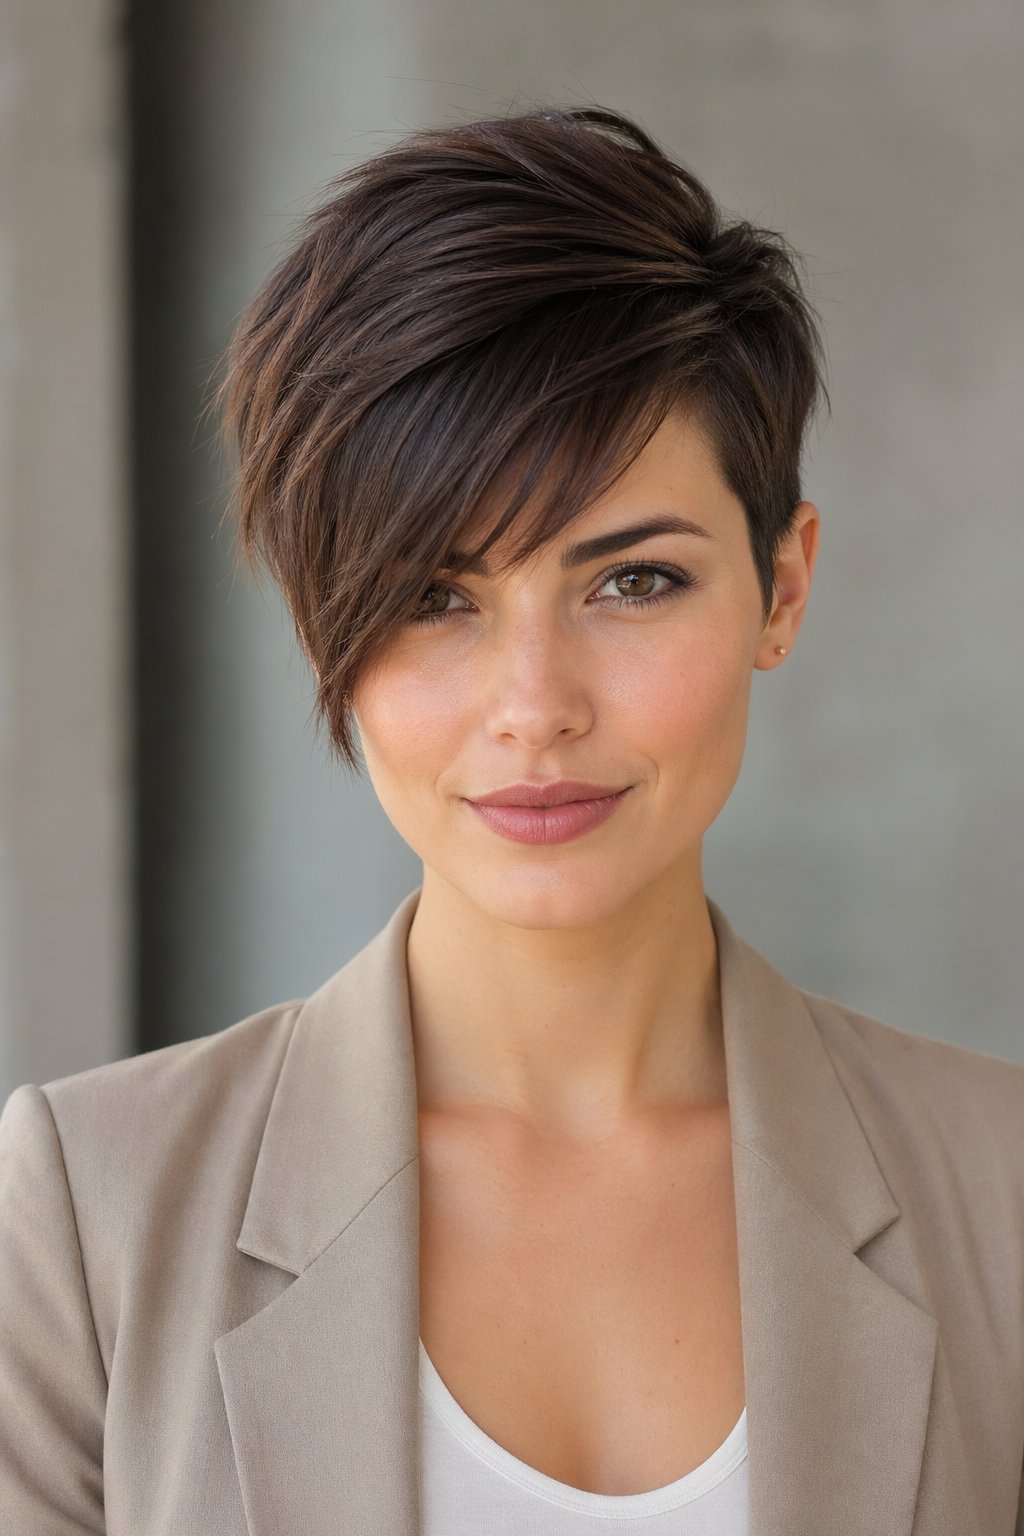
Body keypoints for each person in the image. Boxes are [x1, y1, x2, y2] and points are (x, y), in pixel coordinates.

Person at [1, 103, 1022, 1536]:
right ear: (320, 626)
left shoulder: (1003, 1193)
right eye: (435, 598)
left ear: (783, 587)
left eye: (633, 582)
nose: (534, 705)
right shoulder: (87, 1215)